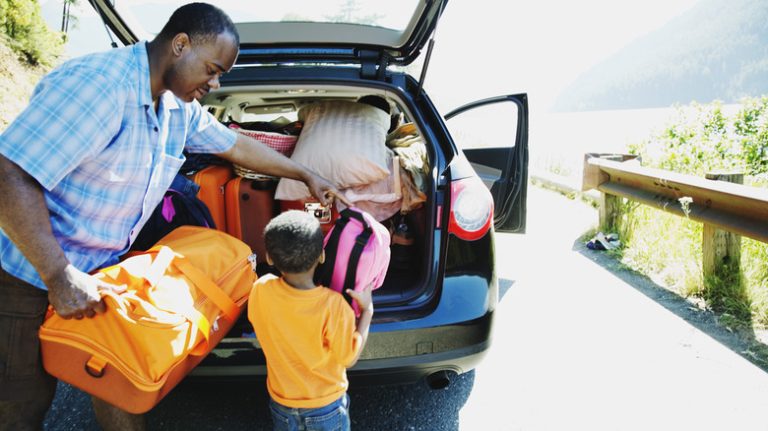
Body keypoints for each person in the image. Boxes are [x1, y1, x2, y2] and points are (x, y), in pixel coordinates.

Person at [0, 3, 350, 431]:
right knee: (20, 400)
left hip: (106, 273)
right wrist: (58, 274)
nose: (215, 83)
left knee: (121, 385)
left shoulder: (175, 108)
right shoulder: (98, 86)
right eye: (212, 69)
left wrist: (306, 174)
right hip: (29, 275)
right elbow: (10, 171)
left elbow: (234, 145)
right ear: (180, 45)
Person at [248, 211, 373, 431]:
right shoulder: (334, 306)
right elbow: (348, 357)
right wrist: (367, 312)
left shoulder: (260, 290)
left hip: (282, 403)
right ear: (321, 256)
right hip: (326, 406)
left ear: (269, 257)